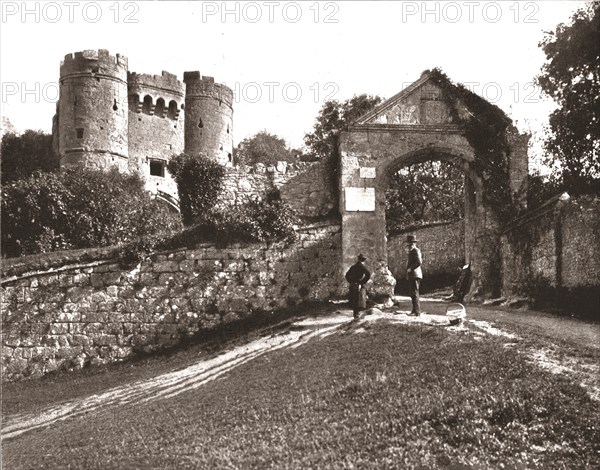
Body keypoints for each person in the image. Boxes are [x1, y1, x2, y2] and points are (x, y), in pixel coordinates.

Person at [345, 254, 371, 319]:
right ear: (363, 260)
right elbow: (368, 275)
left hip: (353, 285)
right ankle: (358, 314)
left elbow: (347, 275)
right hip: (359, 284)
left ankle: (355, 314)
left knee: (353, 299)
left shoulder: (353, 267)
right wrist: (362, 282)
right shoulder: (362, 267)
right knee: (359, 299)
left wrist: (351, 281)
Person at [405, 235, 423, 316]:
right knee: (413, 293)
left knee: (415, 293)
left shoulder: (416, 250)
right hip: (413, 275)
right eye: (409, 243)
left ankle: (417, 312)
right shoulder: (412, 251)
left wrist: (411, 268)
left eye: (410, 243)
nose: (409, 245)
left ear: (413, 243)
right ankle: (414, 311)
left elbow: (419, 262)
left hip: (415, 274)